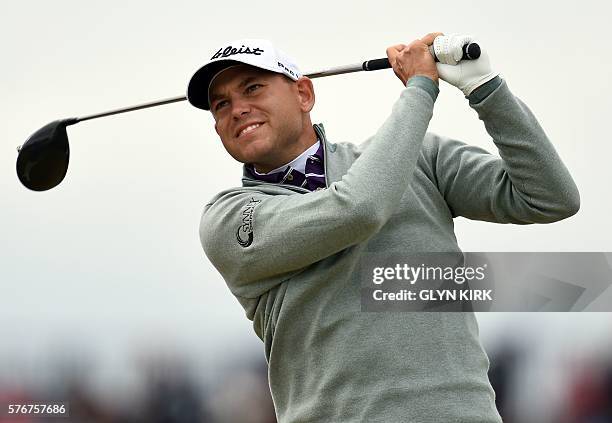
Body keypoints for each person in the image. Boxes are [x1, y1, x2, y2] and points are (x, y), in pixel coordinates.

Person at [186, 34, 580, 422]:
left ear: (304, 94)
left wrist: (486, 89)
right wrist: (420, 88)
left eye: (252, 88)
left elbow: (550, 197)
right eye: (221, 105)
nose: (237, 109)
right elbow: (358, 209)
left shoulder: (420, 157)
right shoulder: (229, 219)